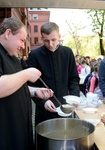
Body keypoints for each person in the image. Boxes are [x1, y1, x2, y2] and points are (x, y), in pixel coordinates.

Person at [0, 17, 53, 150]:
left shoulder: (12, 57)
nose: (23, 46)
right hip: (6, 134)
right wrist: (26, 74)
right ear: (8, 34)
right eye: (22, 40)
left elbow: (15, 85)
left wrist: (35, 91)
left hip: (20, 130)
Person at [27, 22, 80, 126]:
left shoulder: (67, 52)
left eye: (53, 40)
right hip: (44, 109)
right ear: (42, 38)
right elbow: (32, 85)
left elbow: (73, 79)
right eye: (46, 40)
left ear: (59, 37)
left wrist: (74, 97)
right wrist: (43, 102)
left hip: (65, 107)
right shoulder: (34, 55)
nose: (50, 44)